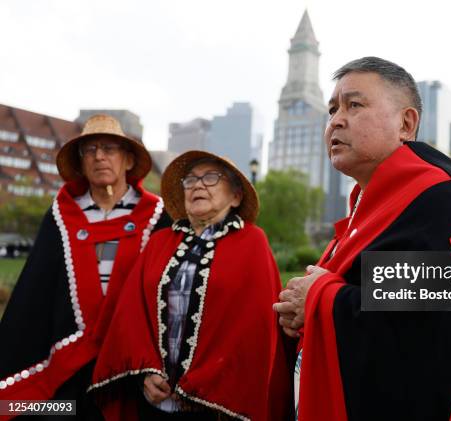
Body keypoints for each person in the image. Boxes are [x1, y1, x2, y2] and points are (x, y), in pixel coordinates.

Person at [273, 57, 451, 420]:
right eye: (332, 110)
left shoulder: (437, 199)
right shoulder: (366, 204)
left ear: (406, 123)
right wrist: (303, 311)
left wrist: (318, 297)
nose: (336, 120)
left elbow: (429, 331)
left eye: (354, 105)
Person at [89, 150, 292, 420]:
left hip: (216, 408)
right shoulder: (160, 242)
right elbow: (132, 314)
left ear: (235, 196)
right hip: (155, 402)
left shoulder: (252, 242)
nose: (197, 184)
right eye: (190, 180)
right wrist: (144, 373)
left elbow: (254, 330)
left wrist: (203, 382)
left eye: (210, 178)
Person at [0, 114, 172, 417]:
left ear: (129, 160)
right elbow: (35, 291)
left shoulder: (157, 216)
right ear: (80, 164)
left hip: (133, 360)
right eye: (89, 150)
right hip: (70, 359)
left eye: (109, 148)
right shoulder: (62, 215)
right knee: (54, 411)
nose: (99, 156)